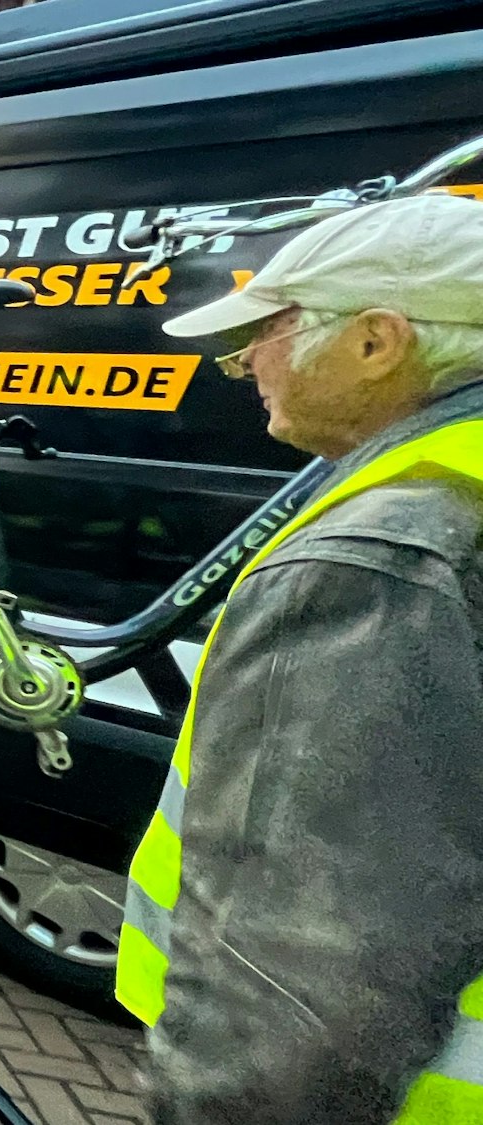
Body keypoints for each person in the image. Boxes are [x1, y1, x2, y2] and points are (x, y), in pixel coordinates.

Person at [115, 193, 483, 1125]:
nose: (245, 365)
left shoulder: (385, 559)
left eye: (267, 330)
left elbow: (294, 979)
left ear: (376, 341)